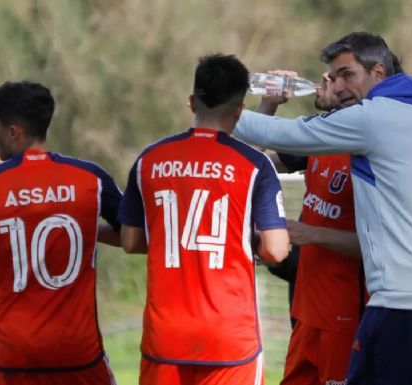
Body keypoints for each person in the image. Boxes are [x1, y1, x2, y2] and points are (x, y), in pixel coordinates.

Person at [234, 32, 412, 385]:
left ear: (379, 73)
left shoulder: (372, 118)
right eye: (332, 76)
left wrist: (220, 109)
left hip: (403, 304)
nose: (336, 85)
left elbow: (283, 133)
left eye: (346, 75)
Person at [118, 54, 290, 385]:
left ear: (192, 102)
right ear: (240, 109)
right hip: (229, 338)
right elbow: (276, 250)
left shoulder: (150, 159)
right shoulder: (256, 166)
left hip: (164, 334)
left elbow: (130, 241)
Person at [0, 81, 122, 385]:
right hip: (77, 354)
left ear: (13, 131)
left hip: (13, 355)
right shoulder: (90, 178)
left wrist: (1, 261)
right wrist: (91, 231)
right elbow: (135, 237)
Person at [255, 69, 367, 385]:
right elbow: (249, 160)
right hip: (305, 313)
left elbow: (382, 243)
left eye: (337, 72)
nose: (324, 76)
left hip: (347, 319)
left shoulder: (370, 152)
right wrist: (268, 106)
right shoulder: (318, 138)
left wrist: (312, 234)